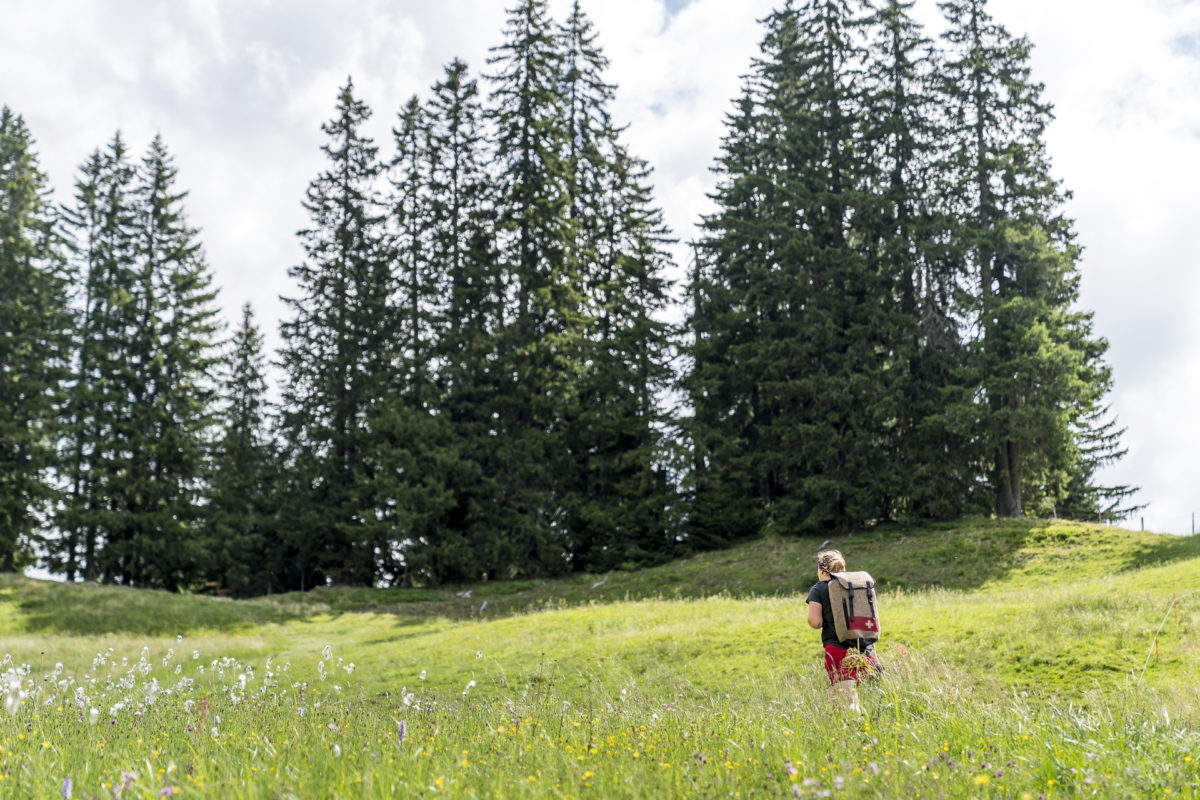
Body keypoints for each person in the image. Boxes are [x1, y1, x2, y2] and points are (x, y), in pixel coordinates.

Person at [806, 549, 878, 709]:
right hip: (867, 650)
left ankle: (857, 732)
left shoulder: (820, 588)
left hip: (839, 651)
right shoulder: (856, 585)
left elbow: (815, 622)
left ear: (821, 570)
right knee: (867, 703)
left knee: (846, 704)